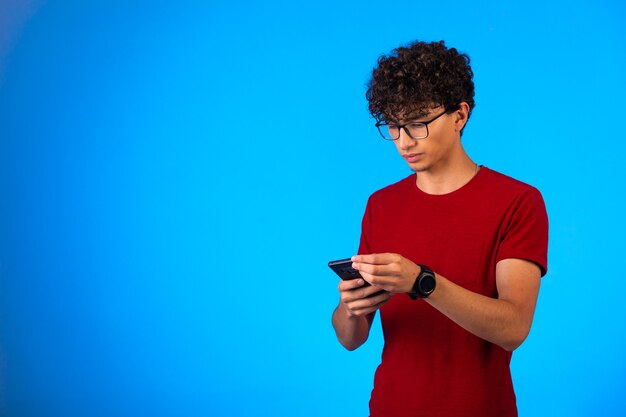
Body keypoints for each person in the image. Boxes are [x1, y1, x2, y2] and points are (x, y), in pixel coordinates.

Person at [331, 40, 548, 417]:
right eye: (393, 126)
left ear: (459, 115)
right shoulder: (380, 206)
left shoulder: (518, 201)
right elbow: (351, 339)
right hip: (389, 406)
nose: (403, 142)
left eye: (417, 123)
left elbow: (514, 326)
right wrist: (350, 307)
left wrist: (421, 282)